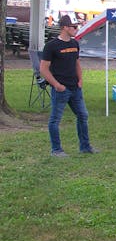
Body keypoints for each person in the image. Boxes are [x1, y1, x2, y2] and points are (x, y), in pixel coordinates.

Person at [39, 15, 98, 156]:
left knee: (83, 115)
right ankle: (56, 149)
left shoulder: (74, 44)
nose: (76, 29)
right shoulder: (51, 46)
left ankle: (85, 146)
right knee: (55, 119)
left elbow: (77, 63)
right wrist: (56, 85)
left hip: (75, 88)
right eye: (74, 27)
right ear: (65, 27)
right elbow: (43, 69)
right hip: (61, 89)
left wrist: (80, 80)